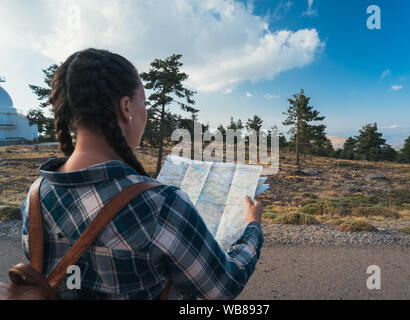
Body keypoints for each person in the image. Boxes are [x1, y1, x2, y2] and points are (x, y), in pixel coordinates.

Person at [20, 48, 264, 300]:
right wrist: (252, 227)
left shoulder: (35, 196)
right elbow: (222, 288)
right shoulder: (161, 205)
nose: (145, 112)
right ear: (126, 107)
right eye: (143, 102)